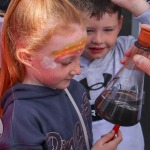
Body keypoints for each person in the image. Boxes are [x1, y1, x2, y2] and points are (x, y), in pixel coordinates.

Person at [0, 0, 122, 149]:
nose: (78, 70)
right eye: (67, 61)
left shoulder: (75, 89)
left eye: (80, 56)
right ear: (27, 57)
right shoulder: (21, 118)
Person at [74, 0, 150, 150]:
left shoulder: (129, 49)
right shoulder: (65, 64)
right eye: (88, 30)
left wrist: (136, 5)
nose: (98, 40)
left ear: (120, 24)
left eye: (108, 29)